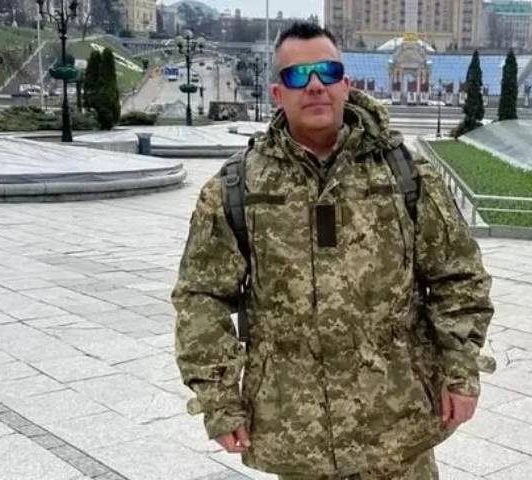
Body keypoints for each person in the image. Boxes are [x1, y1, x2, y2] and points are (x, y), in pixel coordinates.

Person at [173, 22, 495, 480]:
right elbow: (201, 298)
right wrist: (219, 399)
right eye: (297, 76)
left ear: (346, 83)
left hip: (397, 424)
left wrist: (460, 371)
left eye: (327, 71)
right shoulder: (237, 187)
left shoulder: (406, 174)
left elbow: (457, 276)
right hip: (297, 430)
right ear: (277, 93)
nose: (315, 85)